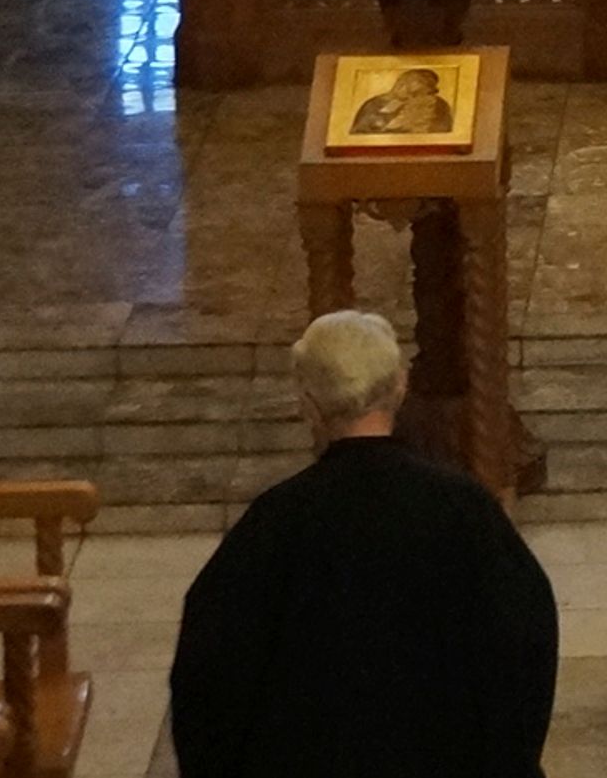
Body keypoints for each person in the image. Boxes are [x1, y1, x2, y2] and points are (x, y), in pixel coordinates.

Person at [169, 312, 558, 778]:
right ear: (400, 386)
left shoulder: (273, 525)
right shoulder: (464, 512)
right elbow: (524, 646)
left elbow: (208, 679)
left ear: (308, 404)